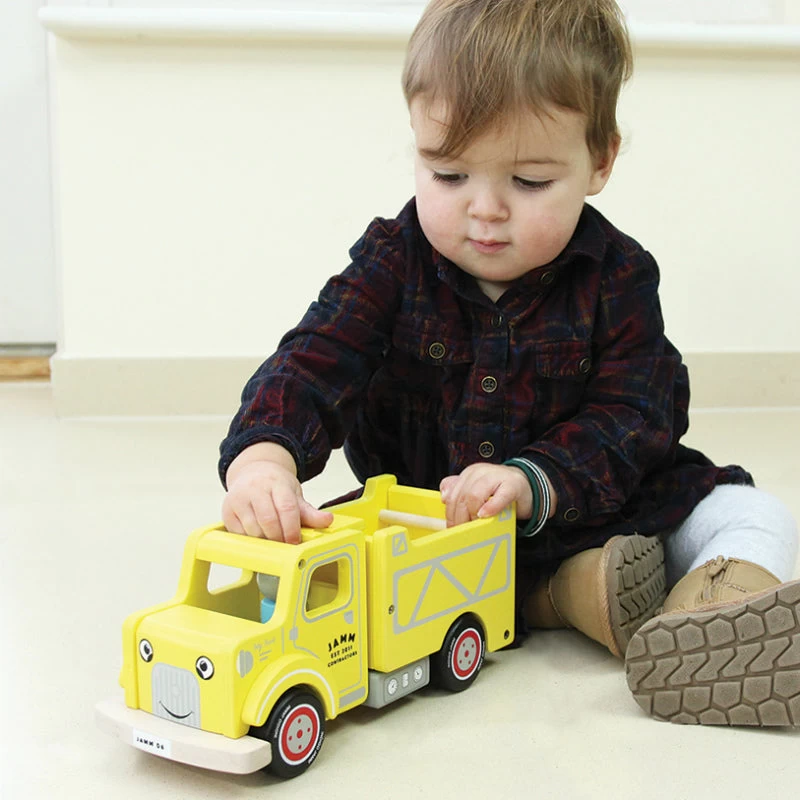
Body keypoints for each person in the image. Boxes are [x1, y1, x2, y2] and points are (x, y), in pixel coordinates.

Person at [218, 0, 798, 726]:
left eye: (528, 184)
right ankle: (566, 597)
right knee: (304, 564)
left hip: (599, 505)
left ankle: (721, 611)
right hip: (435, 535)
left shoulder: (617, 276)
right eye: (448, 173)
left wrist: (536, 479)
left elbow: (639, 413)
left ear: (600, 162)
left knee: (751, 510)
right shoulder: (392, 262)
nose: (484, 210)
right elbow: (316, 358)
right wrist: (264, 459)